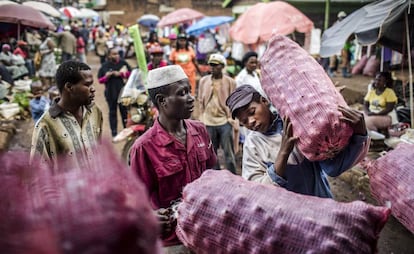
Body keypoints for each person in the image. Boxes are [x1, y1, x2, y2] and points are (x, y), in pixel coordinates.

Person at [129, 65, 216, 253]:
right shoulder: (144, 147)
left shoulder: (200, 130)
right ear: (162, 101)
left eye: (189, 91)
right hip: (173, 242)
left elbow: (213, 176)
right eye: (182, 93)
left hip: (207, 232)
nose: (191, 98)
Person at [226, 85, 369, 198]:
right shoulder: (253, 145)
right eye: (244, 121)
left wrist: (359, 134)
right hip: (291, 220)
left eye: (252, 112)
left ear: (264, 101)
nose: (251, 122)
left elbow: (333, 168)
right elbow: (256, 191)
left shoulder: (300, 123)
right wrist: (283, 153)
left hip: (322, 206)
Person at [30, 61, 103, 172]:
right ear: (69, 87)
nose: (93, 89)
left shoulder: (94, 112)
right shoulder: (46, 125)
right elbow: (39, 175)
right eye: (87, 85)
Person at [198, 53, 238, 174]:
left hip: (225, 120)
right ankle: (215, 177)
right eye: (211, 65)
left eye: (216, 65)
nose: (213, 68)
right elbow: (200, 100)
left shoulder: (230, 82)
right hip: (208, 120)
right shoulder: (204, 81)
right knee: (212, 153)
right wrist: (201, 116)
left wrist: (232, 118)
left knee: (228, 153)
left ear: (222, 66)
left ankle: (233, 177)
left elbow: (234, 101)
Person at [97, 47, 131, 138]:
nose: (116, 56)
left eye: (117, 54)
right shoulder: (105, 66)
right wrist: (106, 77)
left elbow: (131, 74)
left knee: (124, 112)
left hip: (123, 93)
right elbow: (100, 80)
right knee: (112, 112)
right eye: (114, 54)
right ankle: (114, 133)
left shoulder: (123, 63)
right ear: (109, 55)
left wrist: (121, 74)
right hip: (110, 93)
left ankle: (126, 131)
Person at [363, 71, 398, 137]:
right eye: (376, 79)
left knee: (367, 122)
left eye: (379, 80)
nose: (377, 82)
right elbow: (365, 104)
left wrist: (376, 114)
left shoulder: (389, 92)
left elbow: (389, 109)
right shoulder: (372, 91)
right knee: (357, 116)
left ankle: (379, 138)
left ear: (385, 82)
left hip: (385, 115)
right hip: (372, 113)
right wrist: (367, 112)